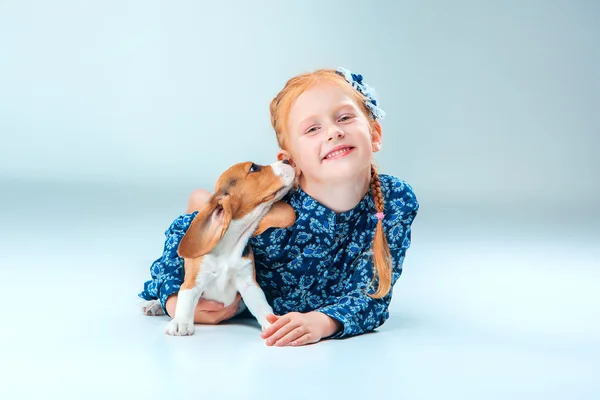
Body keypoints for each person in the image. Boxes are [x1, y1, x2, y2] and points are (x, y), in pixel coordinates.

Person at [138, 66, 419, 347]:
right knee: (208, 216)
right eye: (313, 128)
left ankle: (200, 198)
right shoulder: (275, 212)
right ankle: (200, 201)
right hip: (241, 283)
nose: (333, 132)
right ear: (291, 162)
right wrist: (175, 302)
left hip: (294, 301)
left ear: (375, 134)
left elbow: (373, 296)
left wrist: (323, 322)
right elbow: (186, 240)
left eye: (344, 118)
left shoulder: (395, 201)